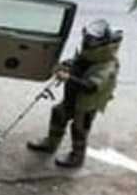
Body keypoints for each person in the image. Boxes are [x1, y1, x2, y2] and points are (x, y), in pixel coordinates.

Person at [26, 19, 122, 168]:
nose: (88, 41)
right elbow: (78, 62)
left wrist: (69, 78)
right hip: (72, 98)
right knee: (58, 114)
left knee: (79, 130)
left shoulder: (106, 65)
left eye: (92, 40)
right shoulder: (89, 54)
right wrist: (68, 64)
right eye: (88, 38)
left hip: (86, 105)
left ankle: (77, 156)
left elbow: (91, 86)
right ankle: (50, 143)